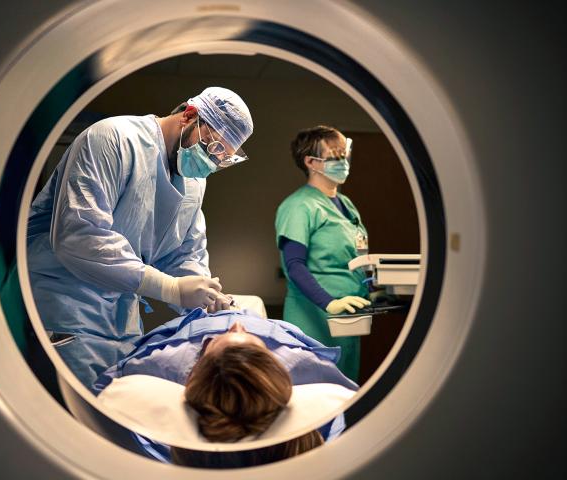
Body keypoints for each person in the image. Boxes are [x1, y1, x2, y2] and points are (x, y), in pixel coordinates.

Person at [26, 87, 254, 390]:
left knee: (117, 412)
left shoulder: (194, 182)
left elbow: (183, 253)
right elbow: (79, 235)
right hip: (67, 310)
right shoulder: (112, 139)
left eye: (224, 158)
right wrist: (169, 288)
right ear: (189, 116)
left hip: (122, 320)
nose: (212, 163)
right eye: (213, 149)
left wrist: (207, 299)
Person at [94, 310, 355, 467]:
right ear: (276, 363)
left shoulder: (163, 364)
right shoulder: (304, 366)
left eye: (214, 342)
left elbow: (98, 399)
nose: (237, 323)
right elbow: (357, 412)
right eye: (257, 345)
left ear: (195, 368)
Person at [274, 125, 374, 381]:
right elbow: (294, 266)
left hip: (348, 318)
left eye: (345, 155)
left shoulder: (346, 204)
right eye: (335, 156)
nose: (343, 162)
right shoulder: (299, 206)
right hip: (315, 318)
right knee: (314, 395)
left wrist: (374, 286)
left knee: (344, 393)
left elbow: (357, 254)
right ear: (311, 162)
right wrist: (329, 302)